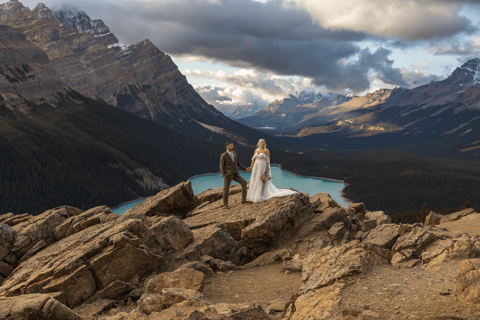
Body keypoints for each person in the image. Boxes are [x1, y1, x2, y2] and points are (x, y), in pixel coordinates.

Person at [220, 141, 250, 209]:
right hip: (228, 175)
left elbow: (238, 163)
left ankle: (243, 200)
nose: (232, 146)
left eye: (232, 145)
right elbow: (221, 167)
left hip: (235, 173)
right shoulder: (224, 155)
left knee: (244, 183)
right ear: (227, 147)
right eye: (231, 145)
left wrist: (245, 169)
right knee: (226, 189)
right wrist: (224, 175)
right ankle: (225, 204)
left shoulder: (235, 153)